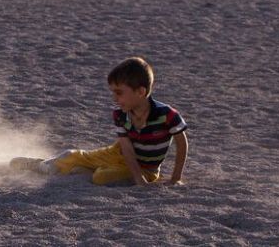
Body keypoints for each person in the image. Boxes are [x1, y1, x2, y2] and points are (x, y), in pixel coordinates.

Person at [10, 57, 189, 186]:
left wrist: (175, 178)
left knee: (102, 177)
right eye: (112, 92)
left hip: (146, 168)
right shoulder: (121, 114)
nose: (114, 98)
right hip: (116, 153)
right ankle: (39, 165)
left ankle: (84, 171)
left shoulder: (167, 114)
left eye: (119, 92)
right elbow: (126, 148)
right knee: (70, 156)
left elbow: (182, 144)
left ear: (141, 92)